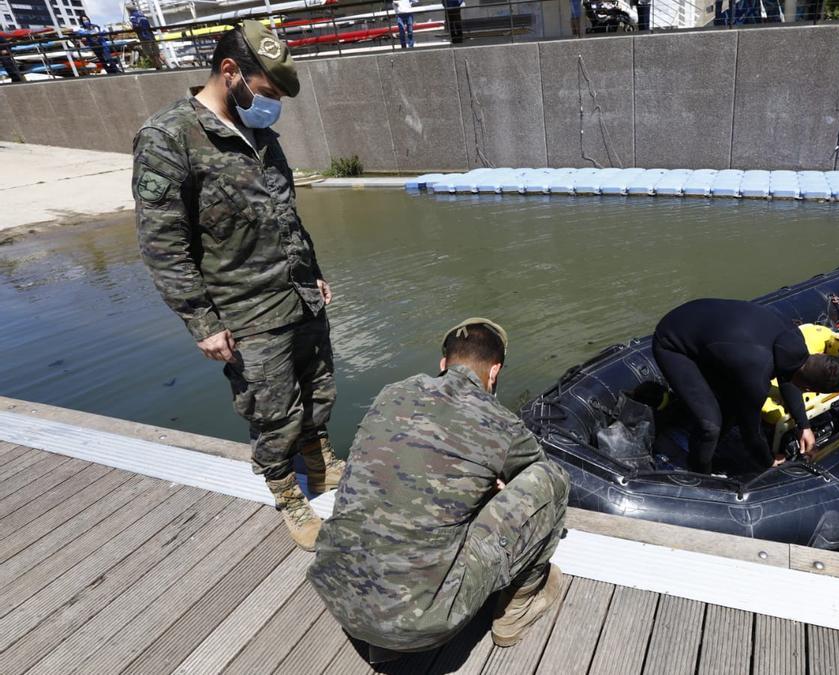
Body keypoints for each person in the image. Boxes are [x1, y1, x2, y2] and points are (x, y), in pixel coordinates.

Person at [132, 21, 342, 551]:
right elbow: (163, 243)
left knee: (319, 390)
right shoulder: (168, 137)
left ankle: (320, 466)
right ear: (230, 72)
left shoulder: (261, 135)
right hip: (245, 311)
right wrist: (201, 322)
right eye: (267, 93)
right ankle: (288, 495)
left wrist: (312, 272)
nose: (272, 106)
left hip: (298, 294)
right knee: (272, 411)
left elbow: (285, 214)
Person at [308, 318, 570, 654]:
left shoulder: (392, 394)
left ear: (443, 364)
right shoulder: (500, 422)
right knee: (552, 480)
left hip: (337, 593)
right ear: (494, 373)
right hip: (421, 625)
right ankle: (514, 614)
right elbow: (535, 470)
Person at [652, 299, 839, 475]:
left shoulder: (795, 344)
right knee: (710, 425)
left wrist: (803, 425)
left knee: (730, 407)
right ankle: (700, 474)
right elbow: (751, 432)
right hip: (672, 342)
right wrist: (769, 460)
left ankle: (705, 451)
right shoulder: (757, 370)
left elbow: (789, 379)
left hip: (705, 325)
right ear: (808, 387)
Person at [127, 3, 164, 70]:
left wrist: (134, 29)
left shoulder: (132, 16)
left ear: (128, 10)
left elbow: (136, 25)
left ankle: (158, 67)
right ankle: (165, 66)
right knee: (157, 53)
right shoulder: (141, 14)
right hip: (150, 34)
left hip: (143, 36)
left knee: (150, 54)